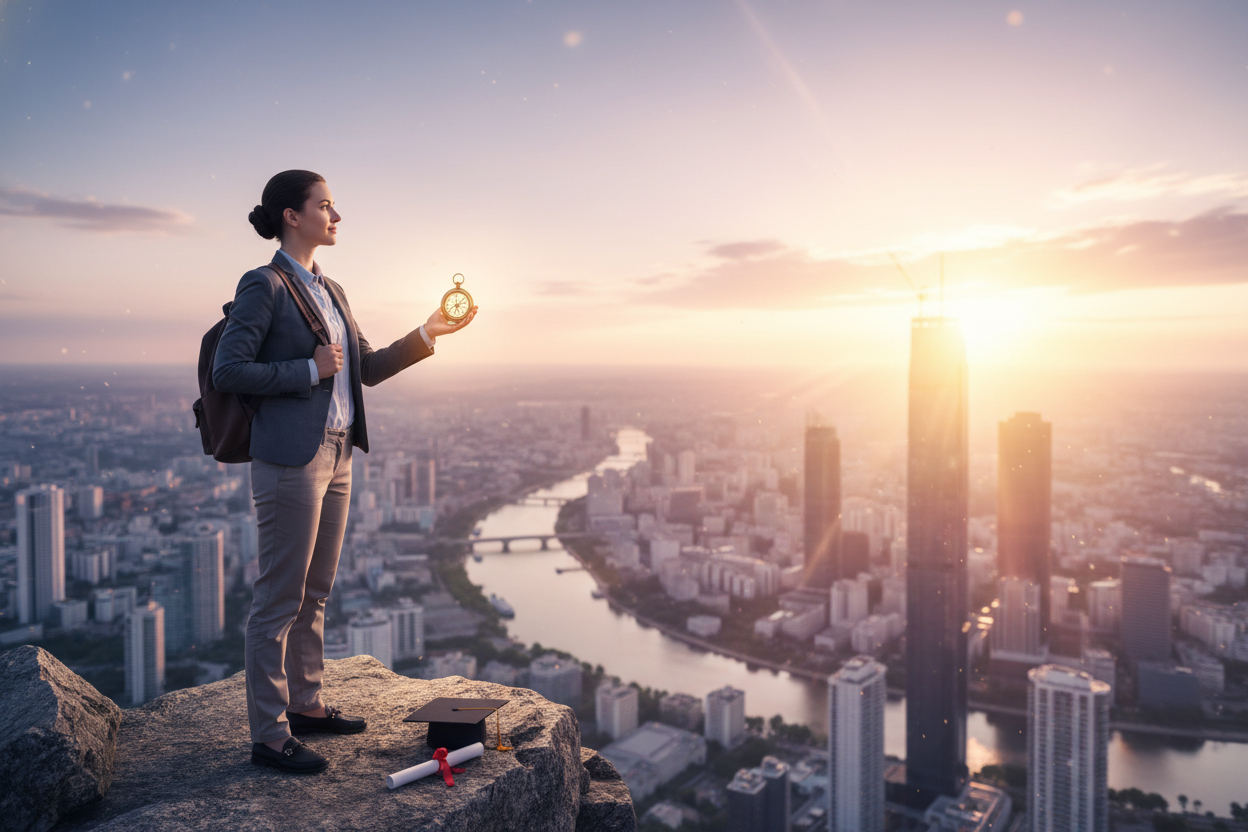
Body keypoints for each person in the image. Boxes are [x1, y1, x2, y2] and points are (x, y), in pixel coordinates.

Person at [213, 170, 477, 773]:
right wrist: (307, 370)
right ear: (291, 216)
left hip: (337, 453)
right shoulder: (264, 285)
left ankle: (306, 704)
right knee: (278, 598)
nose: (337, 216)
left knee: (316, 590)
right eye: (326, 206)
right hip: (289, 458)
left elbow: (369, 367)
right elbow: (230, 369)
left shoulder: (333, 290)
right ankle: (270, 733)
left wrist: (431, 330)